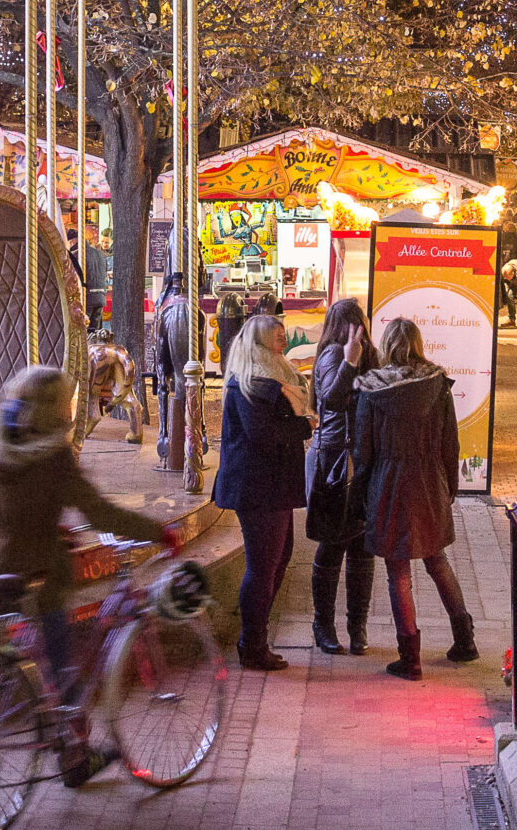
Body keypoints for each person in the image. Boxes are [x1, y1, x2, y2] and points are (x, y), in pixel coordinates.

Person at [0, 364, 175, 821]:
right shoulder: (54, 455)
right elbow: (98, 513)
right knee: (63, 670)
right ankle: (74, 758)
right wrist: (157, 532)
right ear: (54, 409)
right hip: (38, 582)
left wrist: (35, 524)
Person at [354, 318, 478, 678]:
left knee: (398, 571)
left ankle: (410, 656)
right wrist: (448, 487)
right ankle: (464, 639)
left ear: (386, 346)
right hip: (429, 481)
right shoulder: (437, 386)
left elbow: (364, 450)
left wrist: (361, 493)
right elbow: (449, 443)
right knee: (436, 559)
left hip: (389, 484)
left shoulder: (373, 390)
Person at [212, 314, 312, 670]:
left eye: (283, 333)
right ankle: (252, 644)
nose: (283, 337)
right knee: (263, 565)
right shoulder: (249, 382)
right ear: (258, 342)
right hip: (256, 487)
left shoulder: (275, 374)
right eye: (276, 334)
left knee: (279, 558)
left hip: (272, 485)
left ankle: (254, 637)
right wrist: (302, 426)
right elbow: (263, 435)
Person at [304, 296, 377, 655]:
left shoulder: (367, 354)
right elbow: (331, 400)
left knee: (362, 547)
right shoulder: (334, 354)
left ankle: (357, 627)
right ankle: (324, 624)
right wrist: (349, 361)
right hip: (334, 458)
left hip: (360, 458)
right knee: (333, 543)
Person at [145, 265, 201, 472]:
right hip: (181, 284)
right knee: (199, 319)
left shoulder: (172, 240)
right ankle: (199, 431)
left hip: (173, 287)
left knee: (162, 370)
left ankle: (163, 434)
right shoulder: (181, 240)